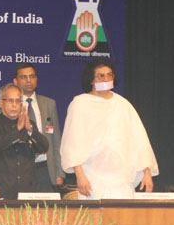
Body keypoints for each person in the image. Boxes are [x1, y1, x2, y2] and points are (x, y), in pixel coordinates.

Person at [61, 58, 158, 199]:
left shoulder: (123, 104)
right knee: (94, 220)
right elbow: (72, 142)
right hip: (92, 180)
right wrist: (79, 175)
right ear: (91, 80)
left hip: (122, 181)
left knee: (123, 219)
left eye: (109, 75)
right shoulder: (80, 104)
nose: (106, 79)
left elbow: (139, 139)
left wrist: (147, 171)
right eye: (101, 76)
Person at [0, 63, 65, 192]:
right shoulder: (7, 104)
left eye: (32, 76)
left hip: (45, 168)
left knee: (45, 211)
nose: (28, 80)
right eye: (24, 77)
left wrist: (59, 172)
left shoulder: (49, 104)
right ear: (15, 81)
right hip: (18, 170)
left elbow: (56, 140)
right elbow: (0, 139)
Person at [0, 83, 48, 200]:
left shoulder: (29, 125)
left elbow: (44, 147)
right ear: (1, 103)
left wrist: (30, 130)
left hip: (26, 191)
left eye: (18, 101)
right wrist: (17, 129)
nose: (14, 105)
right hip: (0, 191)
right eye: (10, 101)